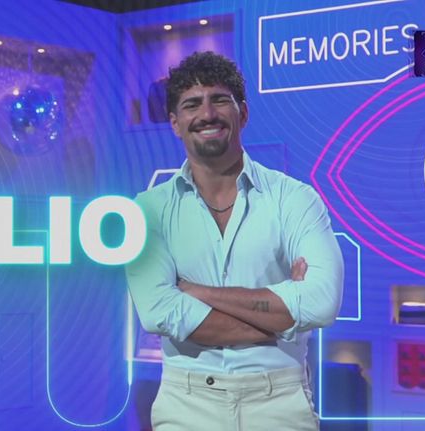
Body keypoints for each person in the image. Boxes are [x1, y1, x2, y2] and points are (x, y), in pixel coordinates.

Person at [125, 51, 344, 431]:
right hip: (186, 403)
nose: (207, 114)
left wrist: (197, 292)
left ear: (243, 113)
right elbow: (159, 311)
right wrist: (283, 317)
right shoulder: (148, 210)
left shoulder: (294, 199)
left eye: (219, 100)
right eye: (192, 104)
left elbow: (321, 303)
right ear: (175, 123)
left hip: (279, 401)